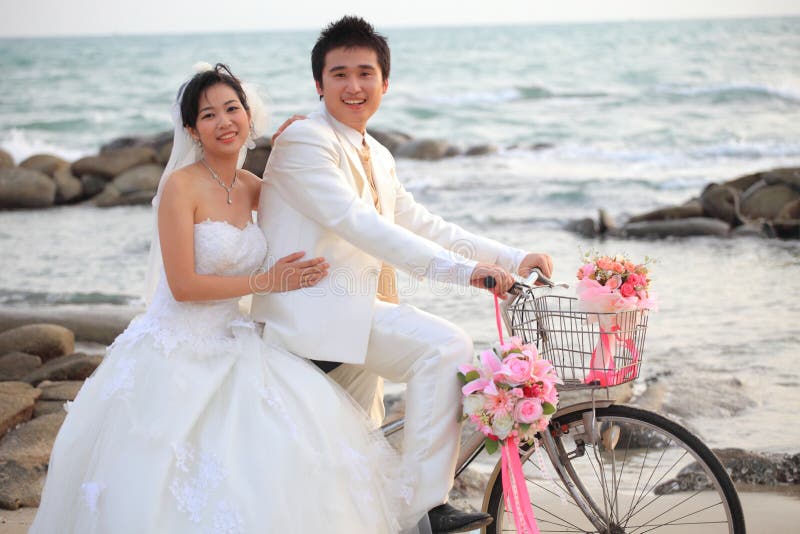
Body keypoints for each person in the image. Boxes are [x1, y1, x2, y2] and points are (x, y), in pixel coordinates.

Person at [29, 63, 424, 534]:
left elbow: (315, 206)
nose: (224, 122)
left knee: (284, 450)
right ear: (193, 130)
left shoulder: (253, 187)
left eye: (232, 109)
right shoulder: (181, 187)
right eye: (209, 114)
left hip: (237, 337)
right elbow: (184, 286)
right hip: (176, 345)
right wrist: (268, 282)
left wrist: (303, 133)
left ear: (248, 117)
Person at [253, 16, 554, 533]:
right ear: (318, 84)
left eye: (365, 73)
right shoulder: (306, 142)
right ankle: (425, 512)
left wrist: (510, 256)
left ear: (385, 84)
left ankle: (402, 510)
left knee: (350, 474)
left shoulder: (378, 153)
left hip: (356, 314)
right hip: (314, 318)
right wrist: (465, 273)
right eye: (340, 74)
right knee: (445, 347)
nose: (354, 86)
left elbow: (418, 221)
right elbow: (362, 226)